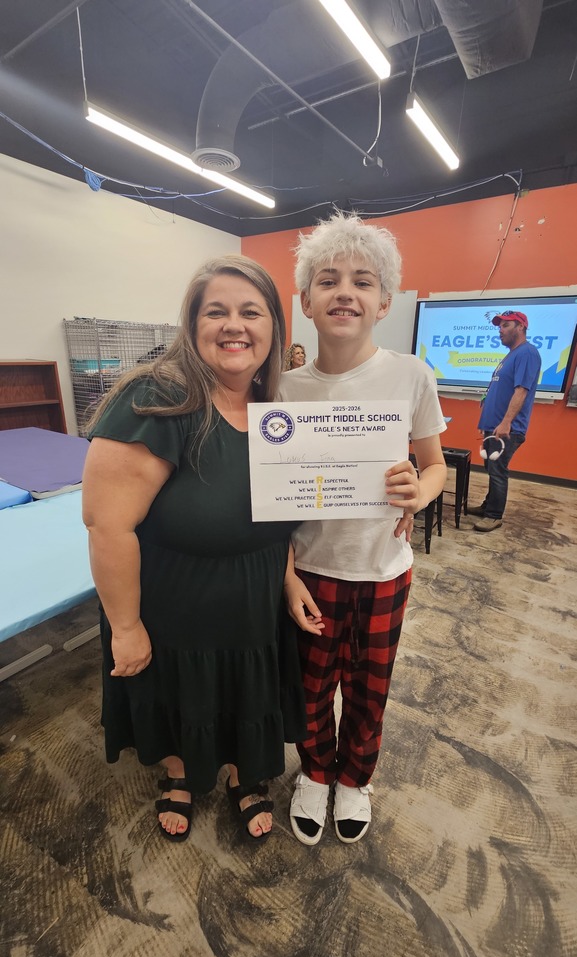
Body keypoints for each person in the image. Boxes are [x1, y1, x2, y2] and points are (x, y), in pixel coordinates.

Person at [82, 254, 308, 845]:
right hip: (175, 604)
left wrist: (287, 578)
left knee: (242, 691)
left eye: (251, 312)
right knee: (183, 695)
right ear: (193, 324)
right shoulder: (155, 400)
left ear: (273, 331)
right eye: (217, 312)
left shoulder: (274, 413)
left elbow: (277, 520)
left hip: (253, 601)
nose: (235, 325)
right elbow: (107, 526)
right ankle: (179, 776)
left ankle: (241, 773)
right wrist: (125, 626)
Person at [280, 211, 447, 845]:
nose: (344, 291)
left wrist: (419, 488)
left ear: (384, 301)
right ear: (305, 301)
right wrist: (286, 574)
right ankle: (316, 772)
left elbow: (432, 469)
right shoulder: (283, 388)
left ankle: (355, 778)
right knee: (312, 684)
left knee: (371, 685)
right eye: (327, 280)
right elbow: (269, 500)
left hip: (383, 568)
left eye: (362, 280)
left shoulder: (411, 375)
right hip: (310, 570)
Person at [469, 310, 541, 532]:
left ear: (520, 327)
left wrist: (506, 422)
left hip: (508, 429)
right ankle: (488, 505)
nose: (500, 330)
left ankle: (494, 515)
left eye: (506, 325)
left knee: (498, 470)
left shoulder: (527, 353)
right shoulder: (512, 354)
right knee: (491, 467)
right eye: (499, 326)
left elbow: (521, 391)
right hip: (494, 427)